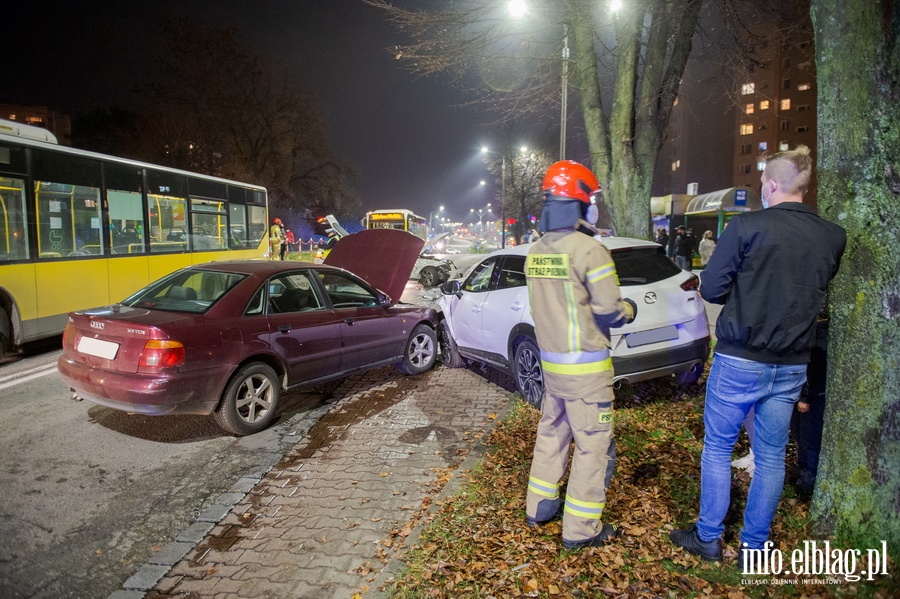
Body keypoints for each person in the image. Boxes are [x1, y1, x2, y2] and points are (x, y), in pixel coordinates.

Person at [669, 145, 846, 570]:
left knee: (717, 446)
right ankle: (755, 546)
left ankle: (709, 536)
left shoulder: (747, 227)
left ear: (770, 185)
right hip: (791, 365)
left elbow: (712, 289)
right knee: (770, 456)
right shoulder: (832, 236)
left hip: (740, 359)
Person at [524, 160, 635, 550]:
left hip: (552, 370)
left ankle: (538, 507)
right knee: (592, 446)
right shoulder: (591, 251)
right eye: (592, 199)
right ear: (580, 202)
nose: (595, 207)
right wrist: (629, 310)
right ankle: (580, 531)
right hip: (587, 374)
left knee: (551, 435)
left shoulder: (535, 251)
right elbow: (609, 311)